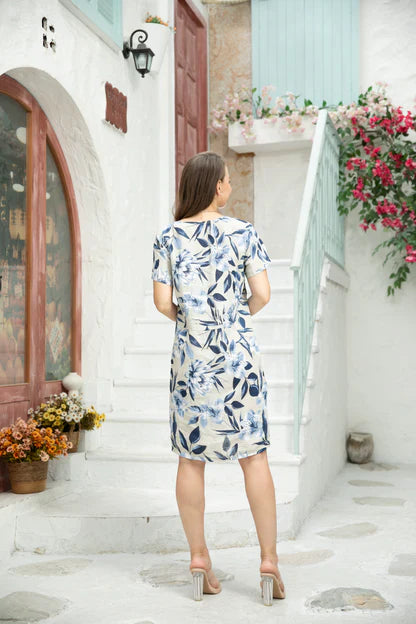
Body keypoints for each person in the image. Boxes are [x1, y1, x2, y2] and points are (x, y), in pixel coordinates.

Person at [151, 151, 286, 605]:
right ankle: (269, 562)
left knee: (191, 459)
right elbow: (262, 293)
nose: (229, 186)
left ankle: (198, 558)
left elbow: (162, 302)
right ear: (216, 187)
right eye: (227, 180)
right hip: (238, 360)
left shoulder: (168, 237)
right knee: (255, 457)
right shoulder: (243, 233)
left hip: (192, 360)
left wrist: (195, 321)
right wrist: (233, 319)